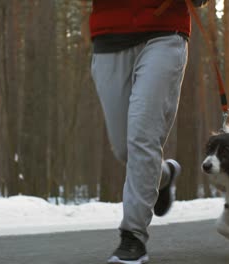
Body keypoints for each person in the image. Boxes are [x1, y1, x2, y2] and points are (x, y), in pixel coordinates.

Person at [89, 0, 209, 263]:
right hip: (109, 34)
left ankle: (133, 237)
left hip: (164, 31)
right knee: (125, 149)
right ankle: (163, 174)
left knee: (143, 137)